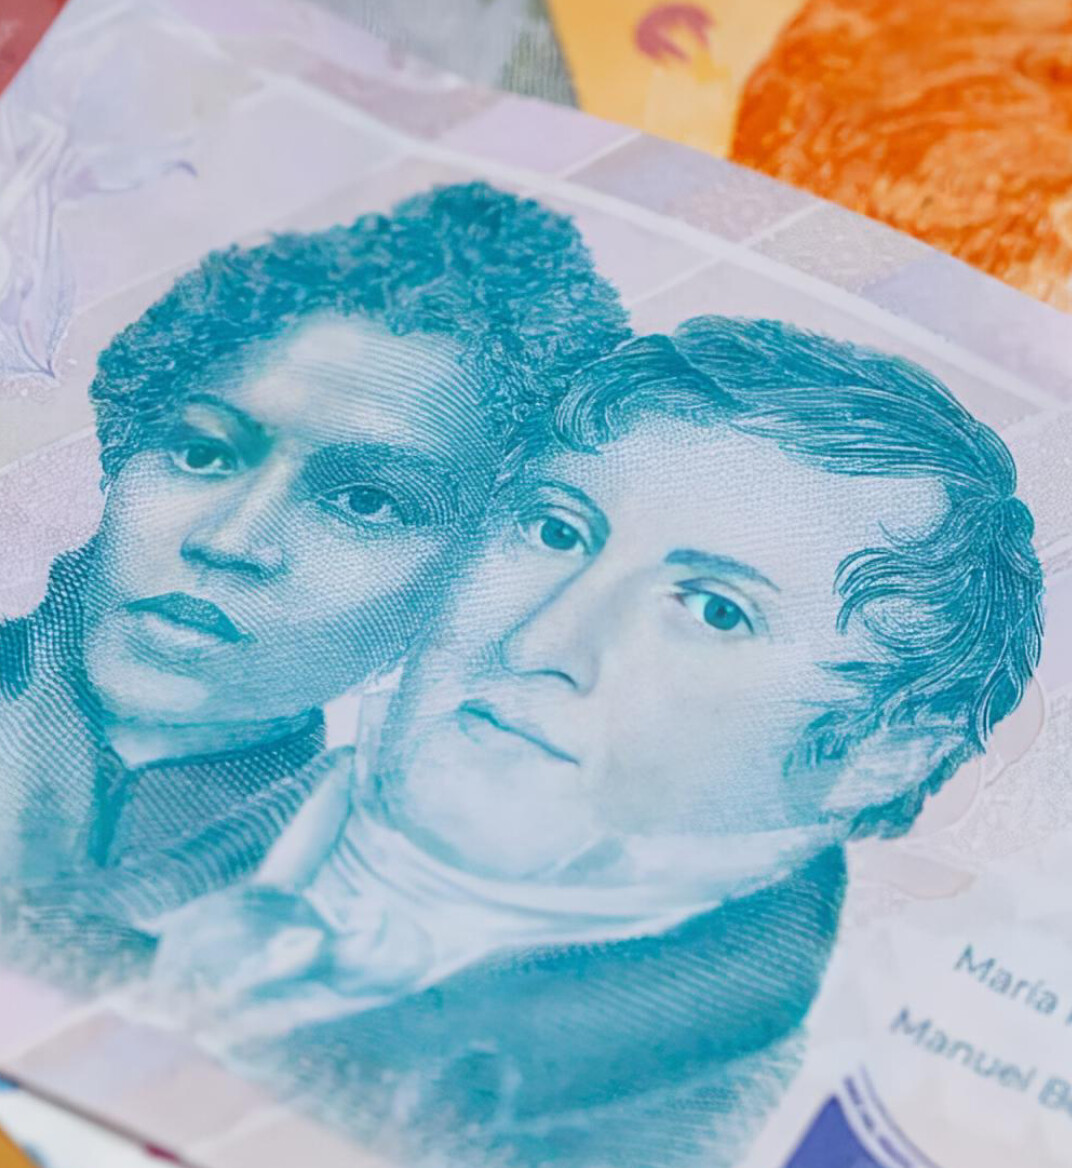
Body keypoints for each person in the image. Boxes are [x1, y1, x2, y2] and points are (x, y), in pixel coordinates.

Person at [139, 317, 1047, 1168]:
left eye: (714, 610)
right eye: (554, 529)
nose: (540, 640)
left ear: (879, 755)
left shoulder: (640, 1163)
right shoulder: (143, 800)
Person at [0, 183, 631, 985]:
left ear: (473, 576)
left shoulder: (389, 920)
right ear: (122, 457)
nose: (230, 541)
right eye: (202, 452)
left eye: (366, 502)